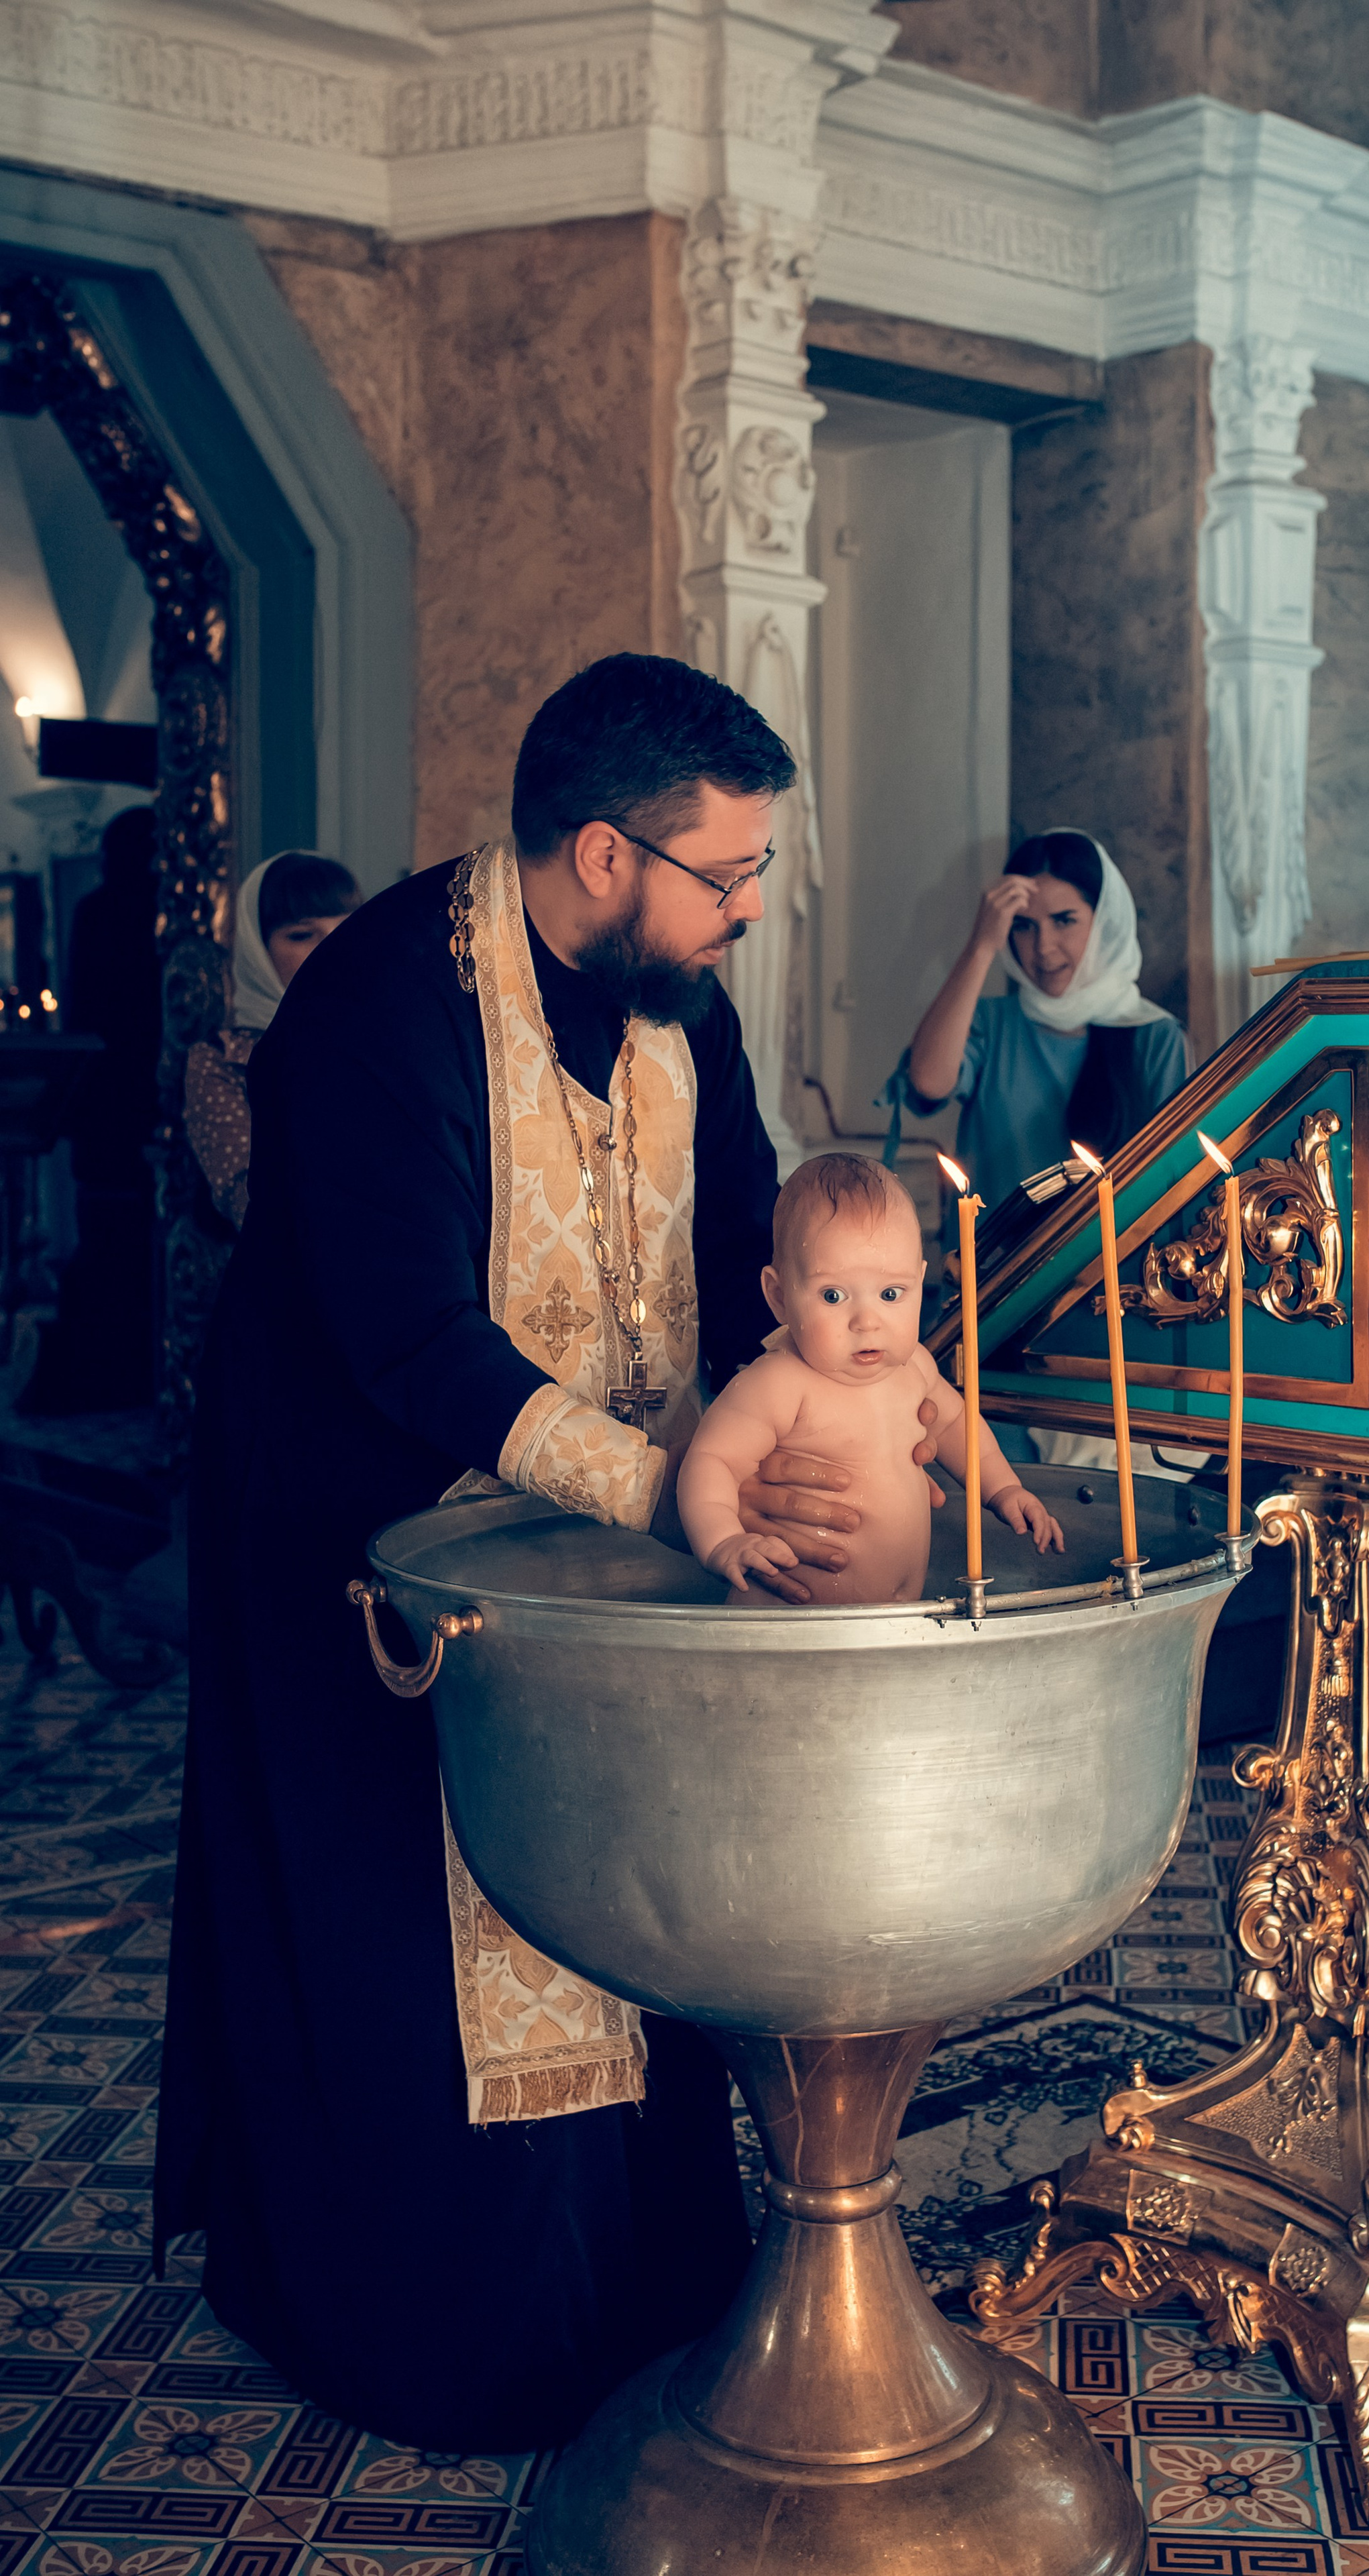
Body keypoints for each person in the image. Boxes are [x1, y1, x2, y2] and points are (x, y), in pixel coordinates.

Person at [156, 655, 942, 2455]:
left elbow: (749, 1226)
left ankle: (645, 2307)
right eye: (726, 876)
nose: (749, 910)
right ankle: (434, 2339)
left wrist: (840, 1396)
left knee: (624, 1903)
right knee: (409, 1947)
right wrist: (669, 1490)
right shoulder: (378, 1009)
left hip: (622, 1545)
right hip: (368, 1547)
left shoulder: (679, 1005)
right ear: (604, 853)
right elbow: (411, 1342)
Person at [680, 1153, 1062, 1602]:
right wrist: (724, 1540)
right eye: (833, 1295)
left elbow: (957, 1424)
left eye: (890, 1294)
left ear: (920, 1284)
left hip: (893, 1623)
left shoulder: (915, 1365)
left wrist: (1003, 1488)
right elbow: (712, 1461)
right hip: (788, 1625)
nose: (867, 1321)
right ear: (780, 1297)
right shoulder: (778, 1384)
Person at [892, 830, 1189, 1250]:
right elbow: (927, 1081)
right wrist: (980, 946)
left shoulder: (1155, 1036)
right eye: (1024, 927)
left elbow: (1172, 1181)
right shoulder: (989, 1024)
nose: (1043, 947)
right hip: (991, 1288)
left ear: (1103, 921)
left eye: (1064, 921)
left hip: (1111, 1290)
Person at [21, 804, 160, 1415]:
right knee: (123, 1241)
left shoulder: (101, 910)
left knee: (112, 1240)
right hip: (132, 1093)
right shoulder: (128, 911)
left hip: (107, 1099)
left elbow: (84, 1016)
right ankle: (125, 1370)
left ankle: (115, 1368)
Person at [184, 851, 361, 1230]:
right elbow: (253, 1204)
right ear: (258, 951)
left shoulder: (394, 1039)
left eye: (348, 931)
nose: (332, 950)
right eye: (301, 935)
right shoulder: (224, 1060)